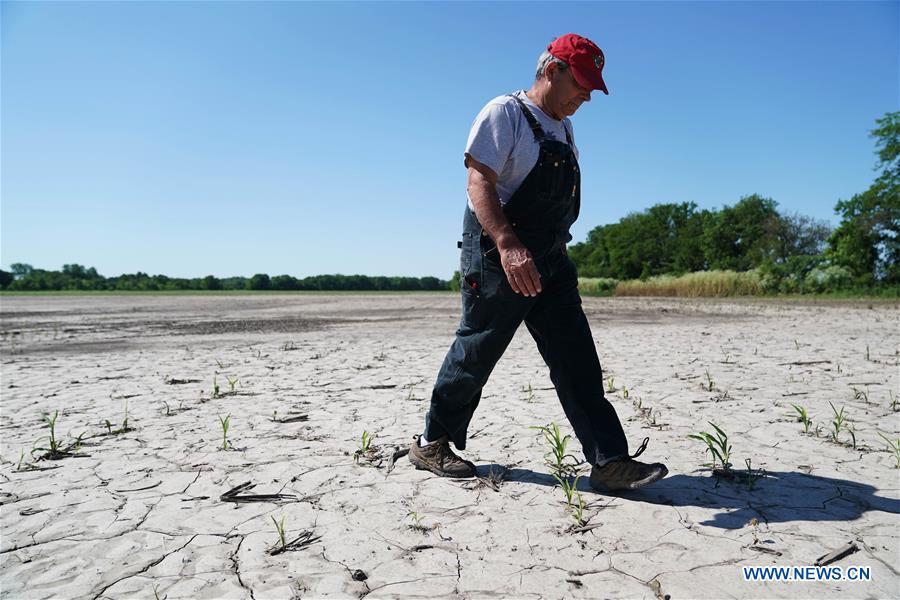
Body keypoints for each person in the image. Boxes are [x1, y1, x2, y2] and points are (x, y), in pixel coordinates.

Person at [409, 34, 668, 492]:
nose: (587, 95)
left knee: (577, 357)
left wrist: (556, 249)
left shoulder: (564, 128)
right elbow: (478, 182)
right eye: (582, 83)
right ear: (552, 71)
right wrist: (508, 244)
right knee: (479, 348)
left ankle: (609, 461)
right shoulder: (504, 113)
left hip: (550, 257)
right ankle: (433, 442)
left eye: (592, 87)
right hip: (497, 252)